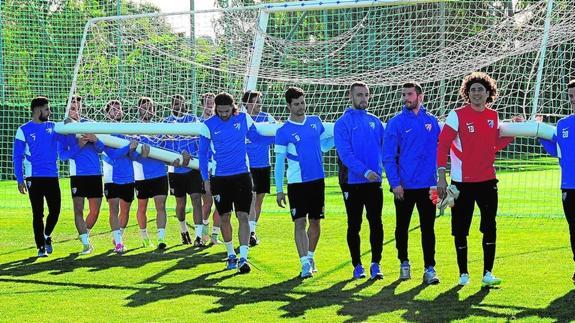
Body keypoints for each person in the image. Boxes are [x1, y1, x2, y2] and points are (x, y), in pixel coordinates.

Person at [437, 72, 520, 287]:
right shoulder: (456, 115)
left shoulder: (493, 116)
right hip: (461, 183)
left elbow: (492, 146)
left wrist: (514, 132)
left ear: (488, 93)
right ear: (467, 92)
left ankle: (488, 273)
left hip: (488, 181)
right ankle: (463, 273)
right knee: (460, 228)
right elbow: (443, 144)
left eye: (480, 90)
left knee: (489, 226)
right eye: (472, 89)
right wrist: (442, 177)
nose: (476, 93)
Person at [383, 82, 441, 284]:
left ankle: (430, 269)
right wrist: (395, 183)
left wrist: (442, 179)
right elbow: (388, 157)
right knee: (402, 228)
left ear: (420, 96)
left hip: (429, 186)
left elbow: (444, 150)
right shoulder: (396, 123)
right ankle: (404, 264)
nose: (406, 98)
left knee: (428, 229)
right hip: (404, 187)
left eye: (409, 94)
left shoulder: (432, 122)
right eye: (404, 94)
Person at [199, 92, 261, 274]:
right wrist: (206, 180)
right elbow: (202, 155)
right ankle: (230, 254)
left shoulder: (243, 118)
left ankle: (243, 257)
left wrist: (280, 137)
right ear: (215, 109)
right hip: (220, 178)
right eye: (220, 111)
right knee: (224, 216)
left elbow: (257, 137)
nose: (224, 114)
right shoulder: (207, 125)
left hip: (242, 175)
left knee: (243, 215)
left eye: (227, 111)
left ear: (233, 107)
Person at [334, 81, 385, 280]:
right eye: (359, 95)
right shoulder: (342, 123)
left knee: (376, 223)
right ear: (351, 97)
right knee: (354, 224)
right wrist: (365, 172)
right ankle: (357, 265)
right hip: (352, 183)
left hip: (374, 183)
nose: (363, 98)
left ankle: (375, 264)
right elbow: (345, 155)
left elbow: (386, 149)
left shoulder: (375, 121)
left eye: (366, 95)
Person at [275, 87, 327, 278]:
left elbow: (323, 146)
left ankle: (311, 256)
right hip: (297, 184)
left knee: (315, 221)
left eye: (303, 102)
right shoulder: (283, 131)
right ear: (288, 106)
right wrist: (279, 189)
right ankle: (304, 262)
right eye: (296, 104)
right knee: (299, 222)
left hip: (317, 181)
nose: (301, 107)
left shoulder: (315, 122)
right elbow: (279, 162)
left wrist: (340, 139)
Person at [13, 96, 68, 257]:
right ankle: (40, 247)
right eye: (47, 109)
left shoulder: (53, 127)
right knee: (38, 213)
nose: (49, 112)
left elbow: (65, 141)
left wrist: (69, 126)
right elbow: (17, 156)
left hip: (52, 176)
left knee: (55, 211)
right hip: (33, 177)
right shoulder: (23, 130)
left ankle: (46, 235)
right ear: (38, 111)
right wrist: (20, 178)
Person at [539, 79, 575, 284]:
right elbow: (556, 150)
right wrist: (539, 132)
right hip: (569, 186)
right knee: (574, 228)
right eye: (570, 96)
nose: (573, 100)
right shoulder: (563, 124)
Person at [59, 95, 104, 254]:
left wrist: (94, 140)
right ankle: (85, 243)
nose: (75, 108)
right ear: (67, 108)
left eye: (78, 105)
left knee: (95, 211)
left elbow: (101, 149)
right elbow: (63, 156)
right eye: (72, 105)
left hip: (95, 174)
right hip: (77, 176)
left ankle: (85, 233)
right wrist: (79, 145)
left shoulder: (89, 124)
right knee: (78, 210)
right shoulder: (63, 129)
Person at [164, 94, 205, 246]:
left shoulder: (194, 120)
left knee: (196, 199)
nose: (179, 107)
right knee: (180, 204)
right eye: (175, 104)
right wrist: (172, 158)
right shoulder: (166, 123)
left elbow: (201, 144)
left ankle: (199, 237)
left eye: (181, 104)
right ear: (171, 105)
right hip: (175, 171)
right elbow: (162, 146)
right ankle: (183, 230)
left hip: (193, 168)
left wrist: (191, 156)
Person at [101, 100, 140, 254]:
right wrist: (128, 147)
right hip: (111, 176)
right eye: (113, 108)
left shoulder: (127, 130)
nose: (117, 110)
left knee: (125, 210)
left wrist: (136, 152)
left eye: (119, 108)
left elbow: (133, 156)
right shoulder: (104, 131)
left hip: (128, 176)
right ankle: (118, 243)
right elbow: (113, 154)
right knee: (113, 208)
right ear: (107, 112)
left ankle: (118, 237)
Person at [133, 97, 169, 250]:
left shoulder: (161, 129)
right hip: (141, 175)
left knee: (161, 205)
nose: (148, 110)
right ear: (139, 110)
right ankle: (144, 237)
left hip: (160, 173)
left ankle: (161, 238)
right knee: (142, 207)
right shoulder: (134, 130)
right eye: (144, 107)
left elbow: (168, 151)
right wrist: (141, 155)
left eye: (150, 107)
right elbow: (131, 155)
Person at [243, 90, 276, 246]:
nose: (260, 104)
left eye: (260, 100)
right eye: (256, 101)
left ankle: (252, 229)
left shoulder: (267, 118)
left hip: (264, 165)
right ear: (248, 104)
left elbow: (277, 135)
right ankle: (251, 233)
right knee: (252, 198)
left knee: (259, 200)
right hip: (247, 166)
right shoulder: (241, 119)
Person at [199, 92, 222, 244]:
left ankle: (215, 236)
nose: (210, 106)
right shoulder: (199, 123)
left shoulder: (221, 122)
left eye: (212, 103)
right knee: (207, 203)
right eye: (207, 103)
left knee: (221, 205)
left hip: (221, 169)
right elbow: (200, 150)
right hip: (205, 169)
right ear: (202, 105)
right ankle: (203, 231)